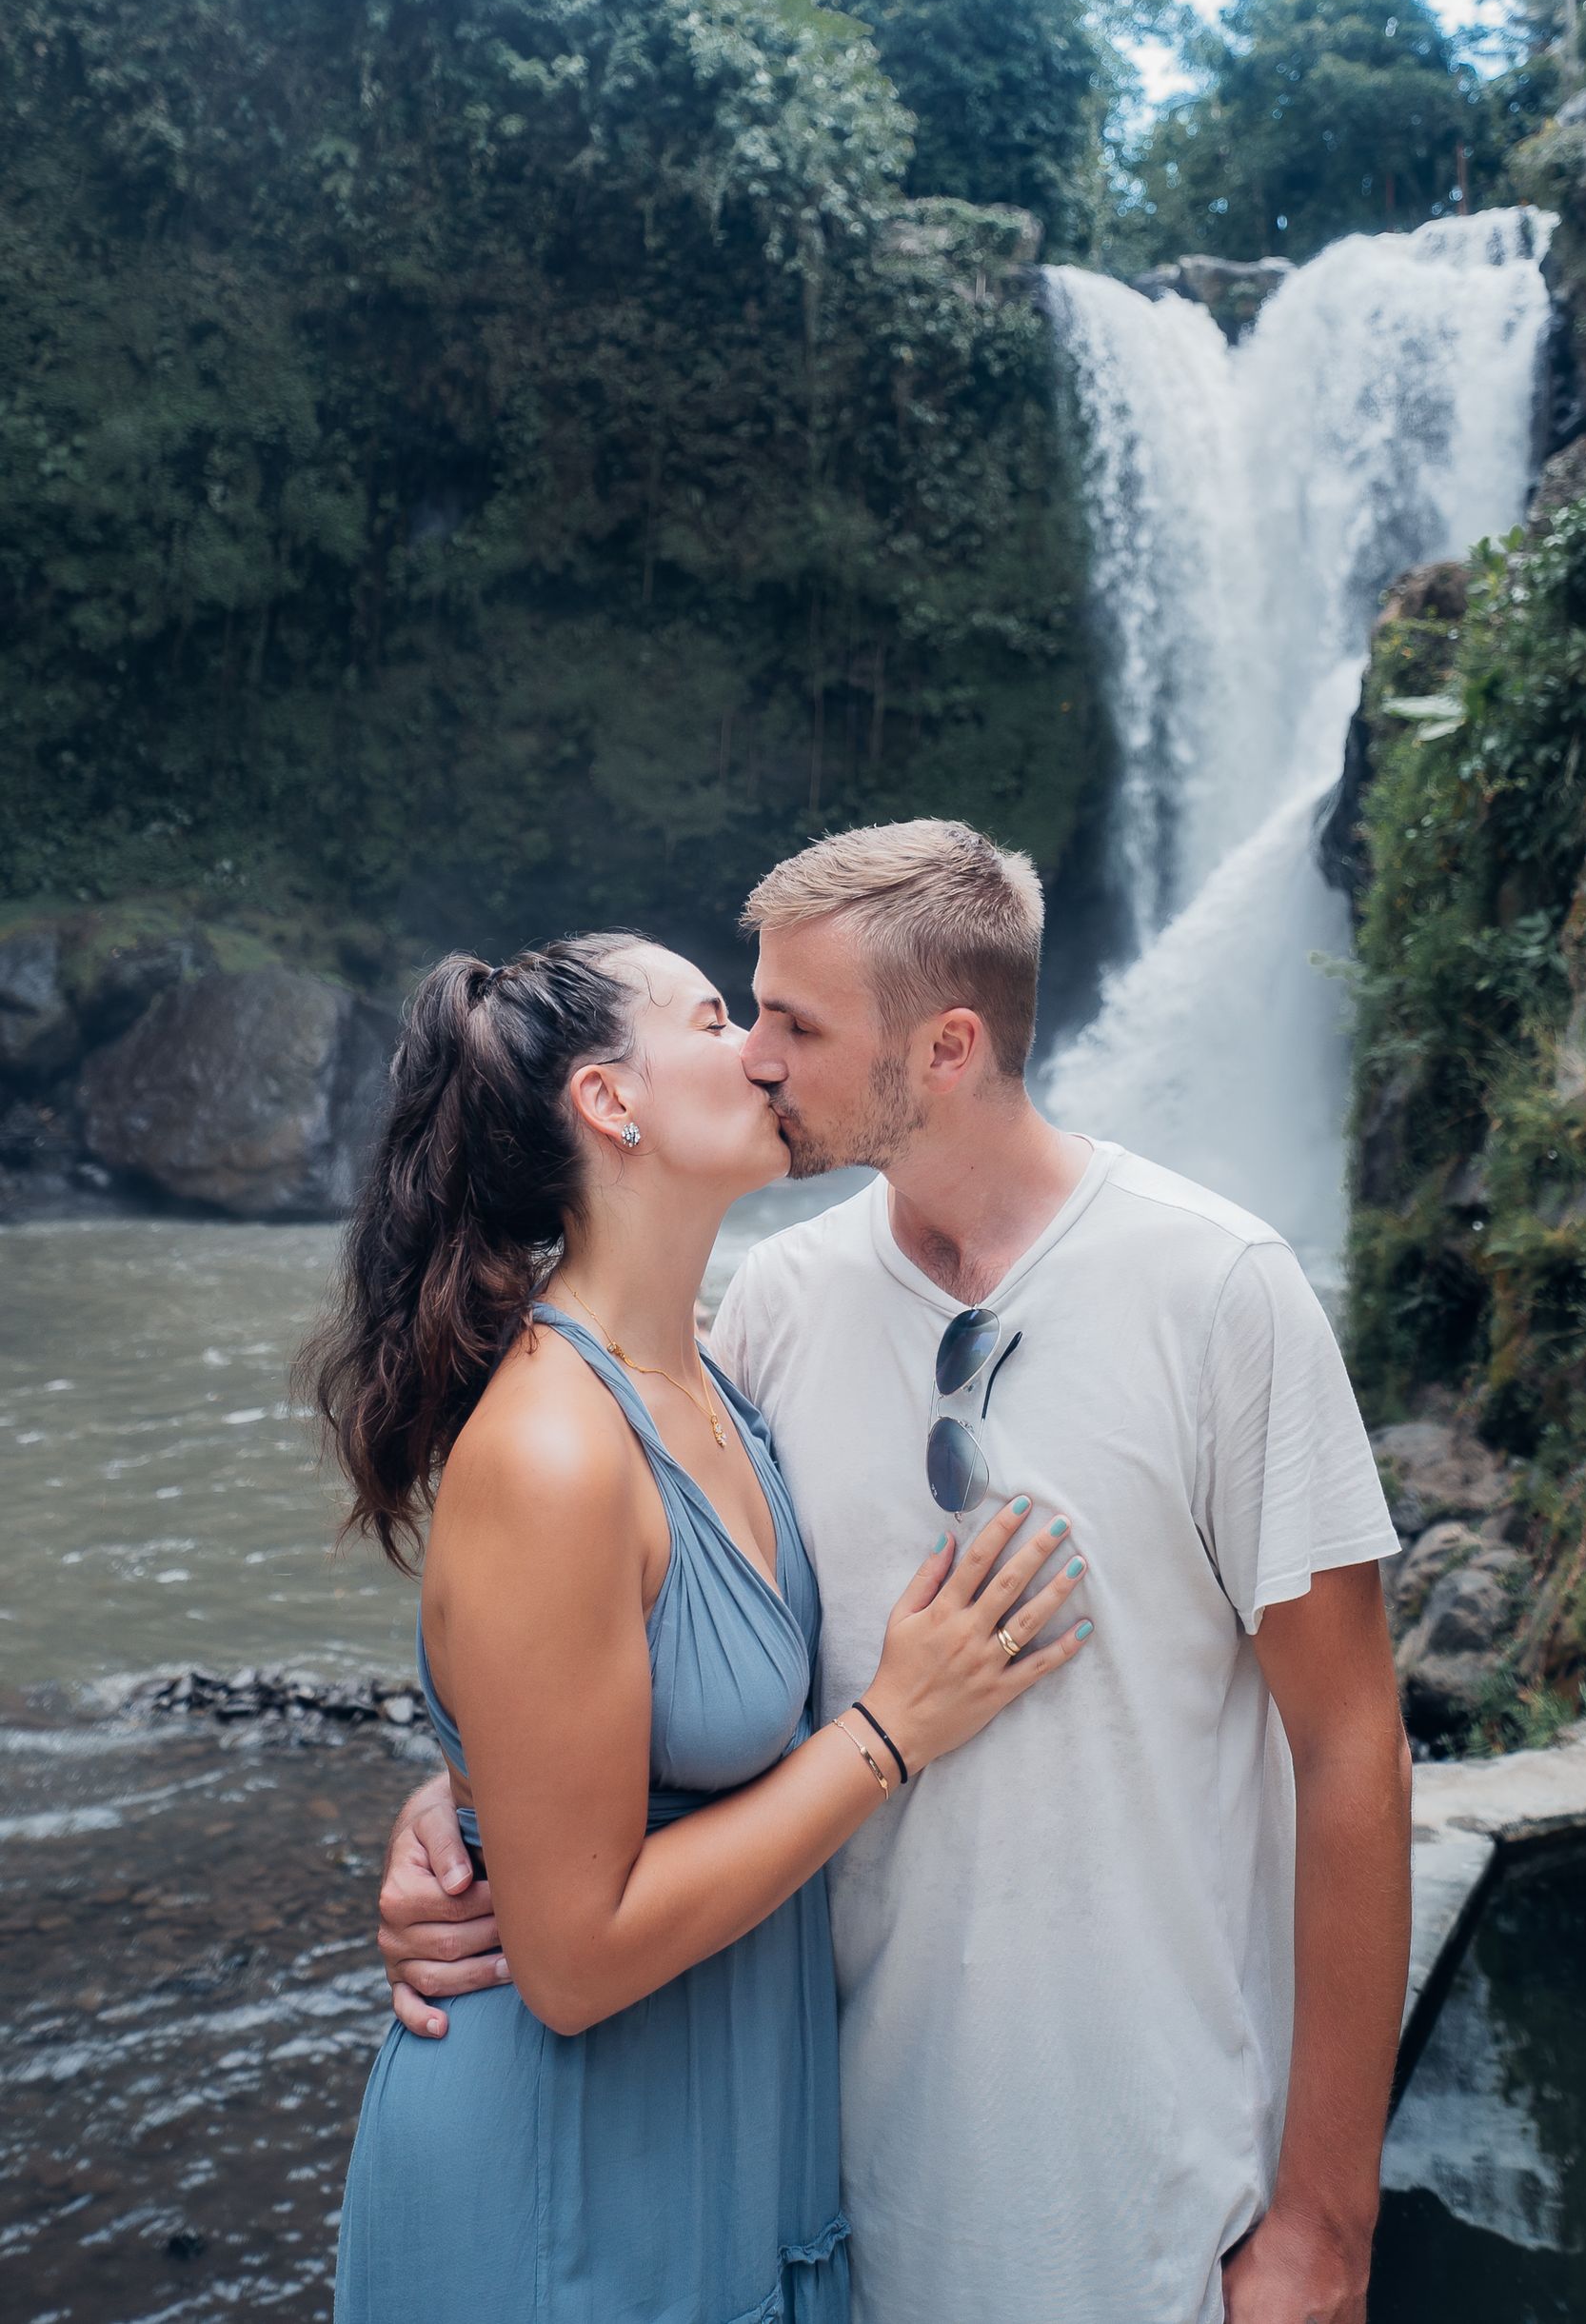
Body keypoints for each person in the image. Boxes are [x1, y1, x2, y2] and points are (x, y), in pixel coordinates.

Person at [380, 823, 1414, 2324]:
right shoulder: (770, 1314)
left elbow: (1355, 1754)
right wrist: (455, 1813)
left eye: (791, 1024)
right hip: (829, 2198)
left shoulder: (1224, 1291)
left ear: (944, 1049)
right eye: (738, 1015)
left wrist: (1328, 2219)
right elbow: (614, 1646)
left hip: (1156, 2199)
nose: (758, 1059)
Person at [307, 933, 1093, 2324]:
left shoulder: (713, 1380)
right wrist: (892, 1730)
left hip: (714, 2155)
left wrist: (465, 1786)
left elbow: (608, 1709)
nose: (765, 1052)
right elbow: (570, 1959)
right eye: (720, 1016)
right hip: (560, 2198)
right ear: (612, 1104)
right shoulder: (554, 1447)